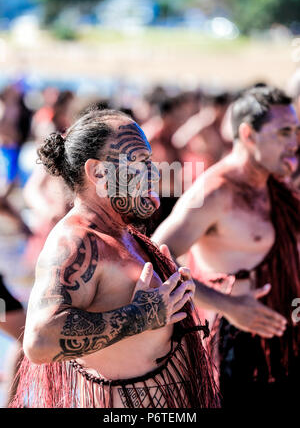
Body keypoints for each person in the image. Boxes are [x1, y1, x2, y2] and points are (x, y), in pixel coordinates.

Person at [10, 108, 220, 408]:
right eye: (140, 162)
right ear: (98, 172)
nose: (155, 172)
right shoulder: (75, 241)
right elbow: (39, 341)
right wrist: (141, 316)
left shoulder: (123, 233)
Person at [152, 86, 299, 406]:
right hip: (241, 347)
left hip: (290, 335)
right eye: (284, 132)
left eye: (297, 131)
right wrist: (227, 304)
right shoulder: (214, 192)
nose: (294, 142)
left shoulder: (279, 182)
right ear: (248, 134)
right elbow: (155, 256)